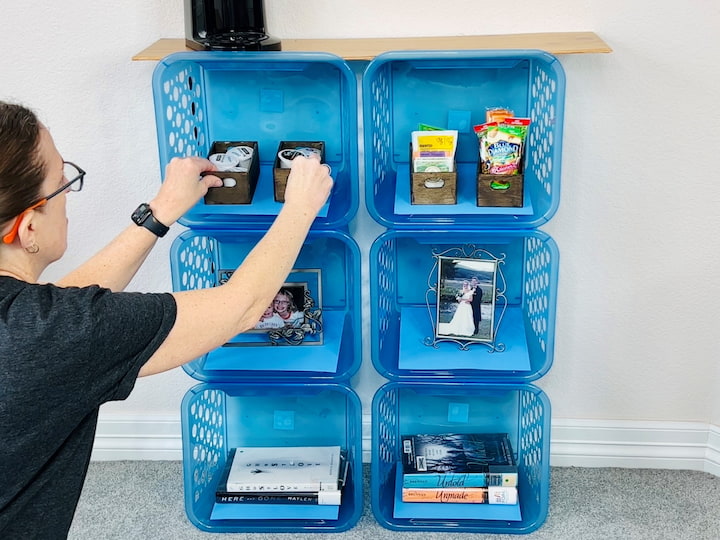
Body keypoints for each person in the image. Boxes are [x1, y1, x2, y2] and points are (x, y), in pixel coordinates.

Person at [0, 101, 333, 539]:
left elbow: (54, 312)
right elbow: (244, 306)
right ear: (27, 230)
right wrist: (300, 206)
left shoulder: (39, 325)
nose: (68, 191)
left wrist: (158, 213)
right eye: (63, 183)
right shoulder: (55, 334)